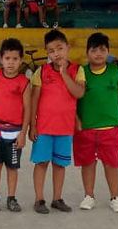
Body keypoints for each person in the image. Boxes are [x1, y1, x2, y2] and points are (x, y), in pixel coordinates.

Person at [73, 32, 118, 213]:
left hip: (110, 127)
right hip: (86, 127)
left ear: (108, 52)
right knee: (88, 163)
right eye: (94, 50)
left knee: (111, 163)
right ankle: (89, 196)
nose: (98, 54)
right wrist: (76, 119)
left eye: (102, 50)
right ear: (87, 52)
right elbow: (74, 96)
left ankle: (115, 197)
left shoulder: (117, 72)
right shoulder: (81, 72)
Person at [29, 29, 83, 214]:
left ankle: (57, 198)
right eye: (51, 51)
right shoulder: (41, 71)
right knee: (41, 163)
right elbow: (34, 100)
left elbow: (78, 93)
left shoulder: (77, 70)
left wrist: (64, 73)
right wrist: (32, 125)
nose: (56, 53)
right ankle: (39, 199)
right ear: (47, 53)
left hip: (65, 128)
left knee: (60, 164)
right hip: (44, 128)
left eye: (60, 48)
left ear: (68, 47)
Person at [0, 38, 31, 212]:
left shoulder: (24, 82)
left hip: (14, 133)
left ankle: (11, 198)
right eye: (7, 58)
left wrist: (23, 133)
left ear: (21, 60)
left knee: (12, 167)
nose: (11, 62)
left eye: (15, 59)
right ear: (1, 59)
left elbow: (27, 109)